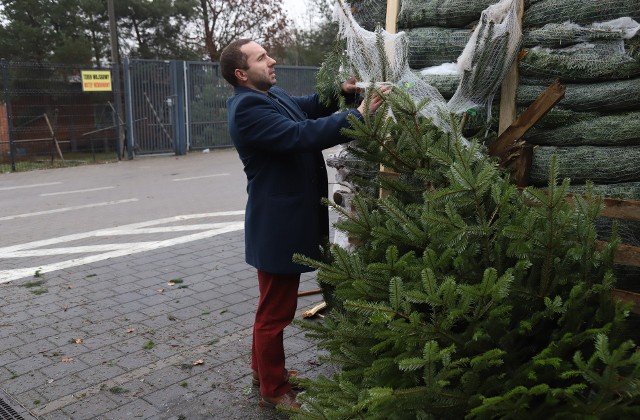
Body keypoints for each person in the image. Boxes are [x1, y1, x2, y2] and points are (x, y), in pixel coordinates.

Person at [219, 38, 386, 409]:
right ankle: (274, 392)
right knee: (275, 312)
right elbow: (301, 135)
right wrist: (357, 115)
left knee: (271, 307)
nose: (272, 60)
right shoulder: (248, 109)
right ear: (242, 73)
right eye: (262, 58)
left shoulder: (268, 97)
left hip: (287, 221)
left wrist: (339, 91)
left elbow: (307, 108)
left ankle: (264, 372)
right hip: (279, 226)